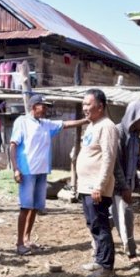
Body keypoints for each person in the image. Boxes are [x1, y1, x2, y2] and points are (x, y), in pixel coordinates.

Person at [10, 95, 87, 255]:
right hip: (27, 171)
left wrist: (86, 120)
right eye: (42, 106)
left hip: (42, 170)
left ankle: (27, 239)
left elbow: (65, 124)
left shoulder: (46, 124)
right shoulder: (22, 122)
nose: (45, 109)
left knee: (35, 208)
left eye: (46, 106)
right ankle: (19, 244)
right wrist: (16, 169)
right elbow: (13, 145)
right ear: (34, 106)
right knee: (25, 207)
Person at [76, 89, 119, 277]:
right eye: (83, 104)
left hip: (96, 188)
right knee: (92, 224)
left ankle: (107, 267)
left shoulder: (107, 126)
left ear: (100, 107)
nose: (84, 108)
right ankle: (99, 260)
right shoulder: (92, 125)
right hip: (86, 186)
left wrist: (99, 186)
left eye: (88, 104)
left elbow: (109, 159)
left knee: (100, 225)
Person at [112, 101, 140, 262]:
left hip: (127, 184)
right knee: (125, 217)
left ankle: (98, 245)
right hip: (115, 185)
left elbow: (136, 157)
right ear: (133, 117)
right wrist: (125, 188)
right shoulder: (118, 132)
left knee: (111, 218)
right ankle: (131, 252)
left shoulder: (136, 138)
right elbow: (116, 163)